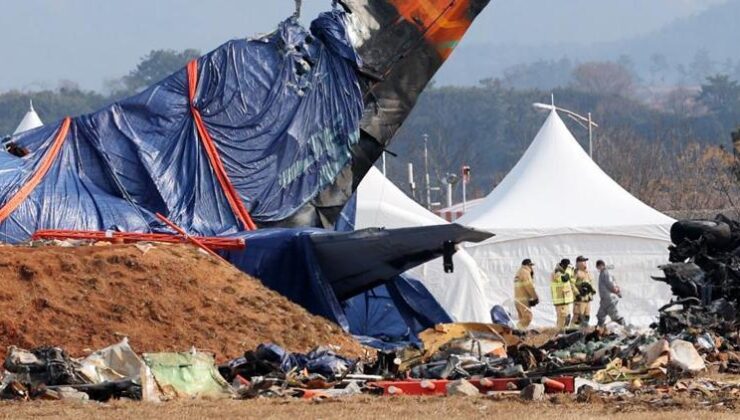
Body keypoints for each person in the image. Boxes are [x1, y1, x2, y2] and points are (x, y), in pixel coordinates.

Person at [596, 260, 625, 326]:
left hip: (609, 298)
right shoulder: (603, 272)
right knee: (600, 314)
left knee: (614, 314)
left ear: (601, 266)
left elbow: (610, 284)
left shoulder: (605, 273)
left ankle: (623, 327)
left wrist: (617, 292)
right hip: (604, 299)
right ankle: (599, 328)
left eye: (598, 267)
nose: (598, 269)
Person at [513, 259, 539, 329]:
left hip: (518, 300)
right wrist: (535, 297)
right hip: (523, 300)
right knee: (528, 317)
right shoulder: (525, 273)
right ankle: (516, 331)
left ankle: (520, 335)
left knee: (522, 319)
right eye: (531, 266)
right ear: (528, 265)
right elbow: (529, 287)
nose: (532, 268)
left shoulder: (519, 272)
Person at [550, 258, 576, 329]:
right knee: (562, 319)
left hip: (565, 301)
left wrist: (572, 271)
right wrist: (569, 269)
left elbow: (572, 281)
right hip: (560, 301)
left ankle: (562, 333)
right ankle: (560, 334)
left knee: (566, 318)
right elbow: (565, 279)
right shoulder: (556, 272)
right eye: (567, 266)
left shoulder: (565, 272)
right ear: (563, 265)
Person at [572, 256, 596, 327]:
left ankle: (583, 331)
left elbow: (590, 283)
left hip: (587, 298)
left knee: (586, 316)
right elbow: (571, 284)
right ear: (578, 263)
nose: (585, 263)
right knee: (578, 316)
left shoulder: (587, 272)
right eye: (583, 261)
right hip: (580, 299)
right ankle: (571, 332)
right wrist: (577, 293)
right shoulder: (576, 272)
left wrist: (592, 290)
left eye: (585, 261)